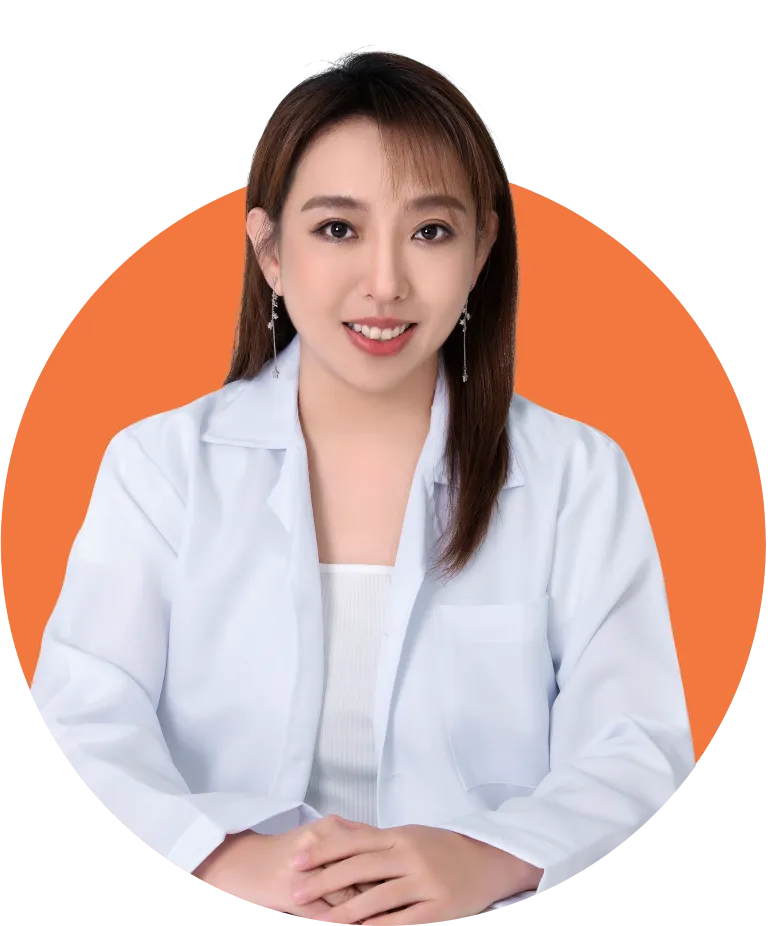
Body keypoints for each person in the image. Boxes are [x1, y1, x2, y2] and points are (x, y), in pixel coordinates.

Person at [30, 50, 695, 923]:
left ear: (482, 250)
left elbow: (635, 749)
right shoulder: (161, 468)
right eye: (338, 229)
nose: (385, 283)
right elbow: (80, 723)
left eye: (431, 231)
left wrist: (489, 858)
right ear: (271, 251)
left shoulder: (577, 477)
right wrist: (230, 858)